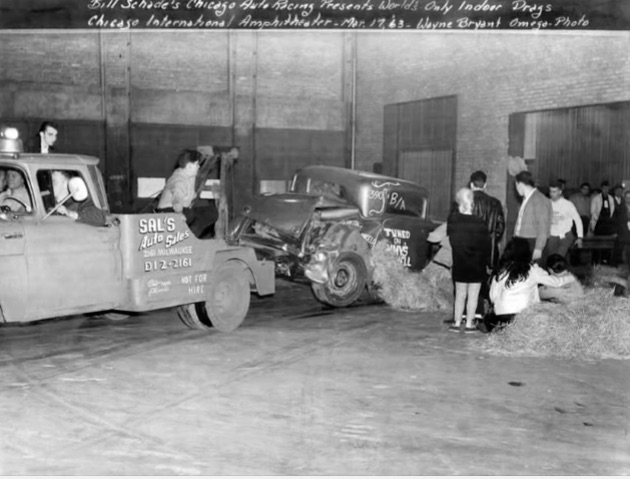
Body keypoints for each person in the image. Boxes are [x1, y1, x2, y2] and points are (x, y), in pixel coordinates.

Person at [482, 238, 577, 332]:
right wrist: (571, 277)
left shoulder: (501, 270)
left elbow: (493, 296)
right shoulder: (532, 269)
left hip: (502, 316)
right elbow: (556, 282)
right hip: (525, 316)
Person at [447, 187, 491, 333]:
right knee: (473, 296)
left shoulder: (453, 221)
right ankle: (470, 323)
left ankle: (457, 321)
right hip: (477, 264)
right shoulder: (481, 223)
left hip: (460, 262)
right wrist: (487, 263)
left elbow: (452, 241)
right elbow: (487, 246)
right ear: (472, 202)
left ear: (458, 202)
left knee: (460, 294)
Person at [513, 171, 552, 264]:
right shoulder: (527, 199)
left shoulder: (539, 199)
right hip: (522, 242)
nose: (516, 189)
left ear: (519, 184)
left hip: (532, 242)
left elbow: (543, 226)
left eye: (516, 186)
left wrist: (539, 247)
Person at [543, 179, 583, 262]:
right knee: (552, 260)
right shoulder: (547, 203)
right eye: (550, 191)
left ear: (560, 192)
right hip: (552, 236)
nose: (551, 194)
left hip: (565, 236)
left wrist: (580, 237)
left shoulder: (568, 204)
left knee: (559, 259)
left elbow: (578, 220)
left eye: (554, 192)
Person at [157, 149, 201, 214]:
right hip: (168, 211)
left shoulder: (190, 176)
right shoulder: (179, 180)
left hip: (182, 208)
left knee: (212, 213)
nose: (199, 166)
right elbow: (177, 199)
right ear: (189, 166)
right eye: (197, 164)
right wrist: (179, 213)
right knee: (191, 215)